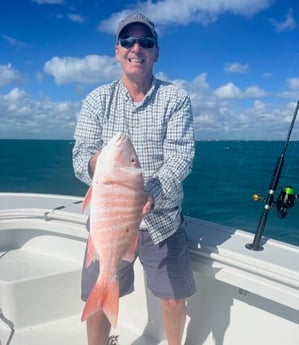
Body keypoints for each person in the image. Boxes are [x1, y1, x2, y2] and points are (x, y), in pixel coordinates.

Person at [73, 12, 196, 345]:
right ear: (117, 51)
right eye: (128, 41)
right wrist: (96, 161)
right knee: (95, 299)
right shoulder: (97, 100)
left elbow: (181, 157)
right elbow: (79, 157)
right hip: (109, 222)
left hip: (163, 222)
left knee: (172, 299)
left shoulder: (176, 99)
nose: (136, 47)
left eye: (146, 42)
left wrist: (151, 191)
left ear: (156, 52)